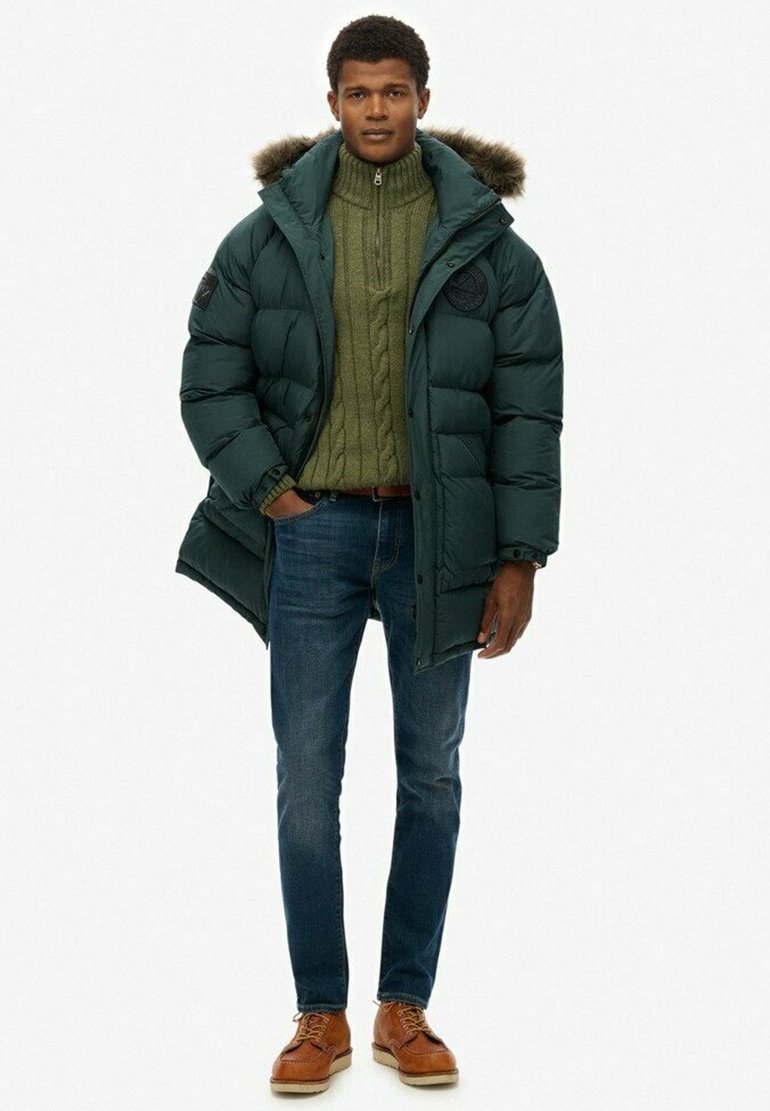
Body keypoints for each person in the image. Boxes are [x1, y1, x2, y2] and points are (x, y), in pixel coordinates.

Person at [175, 13, 563, 1094]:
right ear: (333, 103)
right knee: (306, 776)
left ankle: (404, 1006)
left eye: (395, 91)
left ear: (423, 101)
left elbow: (527, 409)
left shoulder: (489, 244)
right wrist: (276, 493)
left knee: (430, 772)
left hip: (442, 536)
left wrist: (519, 556)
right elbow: (210, 374)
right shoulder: (267, 237)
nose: (377, 109)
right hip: (316, 533)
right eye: (358, 92)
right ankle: (319, 1013)